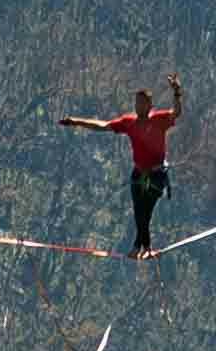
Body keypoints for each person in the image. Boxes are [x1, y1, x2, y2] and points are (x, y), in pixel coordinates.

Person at [60, 77, 184, 254]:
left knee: (145, 211)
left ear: (150, 105)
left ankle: (141, 246)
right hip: (139, 172)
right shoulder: (129, 123)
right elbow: (103, 126)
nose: (138, 106)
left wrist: (177, 92)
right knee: (138, 211)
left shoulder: (159, 120)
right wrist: (76, 122)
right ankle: (143, 247)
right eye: (136, 103)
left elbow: (176, 113)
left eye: (141, 103)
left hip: (157, 174)